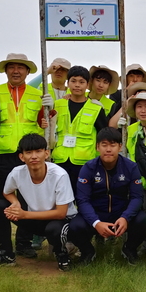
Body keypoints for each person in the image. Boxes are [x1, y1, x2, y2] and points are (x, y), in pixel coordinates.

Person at [0, 53, 51, 259]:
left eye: (20, 67)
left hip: (29, 155)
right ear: (6, 70)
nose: (16, 71)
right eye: (11, 67)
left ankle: (23, 243)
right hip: (2, 153)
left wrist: (50, 109)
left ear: (28, 71)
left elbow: (45, 122)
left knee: (28, 199)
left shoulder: (38, 94)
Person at [0, 134, 76, 271]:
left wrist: (24, 214)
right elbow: (7, 192)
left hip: (60, 221)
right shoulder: (16, 172)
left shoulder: (60, 175)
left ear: (46, 154)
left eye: (38, 151)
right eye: (28, 152)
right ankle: (6, 255)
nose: (34, 156)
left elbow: (61, 213)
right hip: (34, 218)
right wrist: (15, 203)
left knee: (54, 229)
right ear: (21, 157)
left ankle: (62, 254)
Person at [69, 128, 146, 265]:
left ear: (120, 147)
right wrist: (96, 223)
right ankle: (88, 251)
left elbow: (137, 197)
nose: (108, 149)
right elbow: (82, 200)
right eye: (104, 145)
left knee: (143, 220)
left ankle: (129, 249)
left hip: (120, 214)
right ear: (97, 147)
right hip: (96, 214)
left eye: (113, 145)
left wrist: (125, 217)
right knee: (75, 226)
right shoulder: (88, 168)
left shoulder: (131, 167)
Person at [50, 65, 108, 195]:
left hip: (85, 163)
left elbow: (103, 136)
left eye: (81, 82)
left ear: (88, 85)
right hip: (60, 160)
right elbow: (50, 130)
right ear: (67, 83)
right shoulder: (58, 104)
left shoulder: (96, 108)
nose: (77, 85)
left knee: (83, 198)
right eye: (73, 81)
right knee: (60, 197)